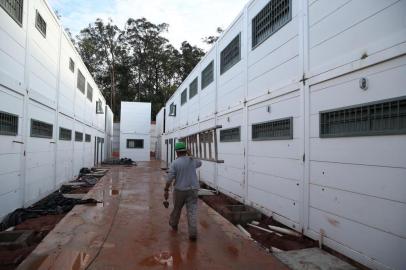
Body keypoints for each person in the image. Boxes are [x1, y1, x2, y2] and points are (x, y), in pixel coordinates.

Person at [164, 141, 202, 241]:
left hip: (180, 190)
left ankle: (174, 225)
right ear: (185, 151)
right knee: (192, 211)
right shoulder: (192, 160)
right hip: (193, 189)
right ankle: (193, 233)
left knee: (177, 209)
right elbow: (200, 163)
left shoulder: (175, 163)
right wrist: (190, 154)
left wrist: (166, 189)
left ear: (176, 152)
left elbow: (169, 178)